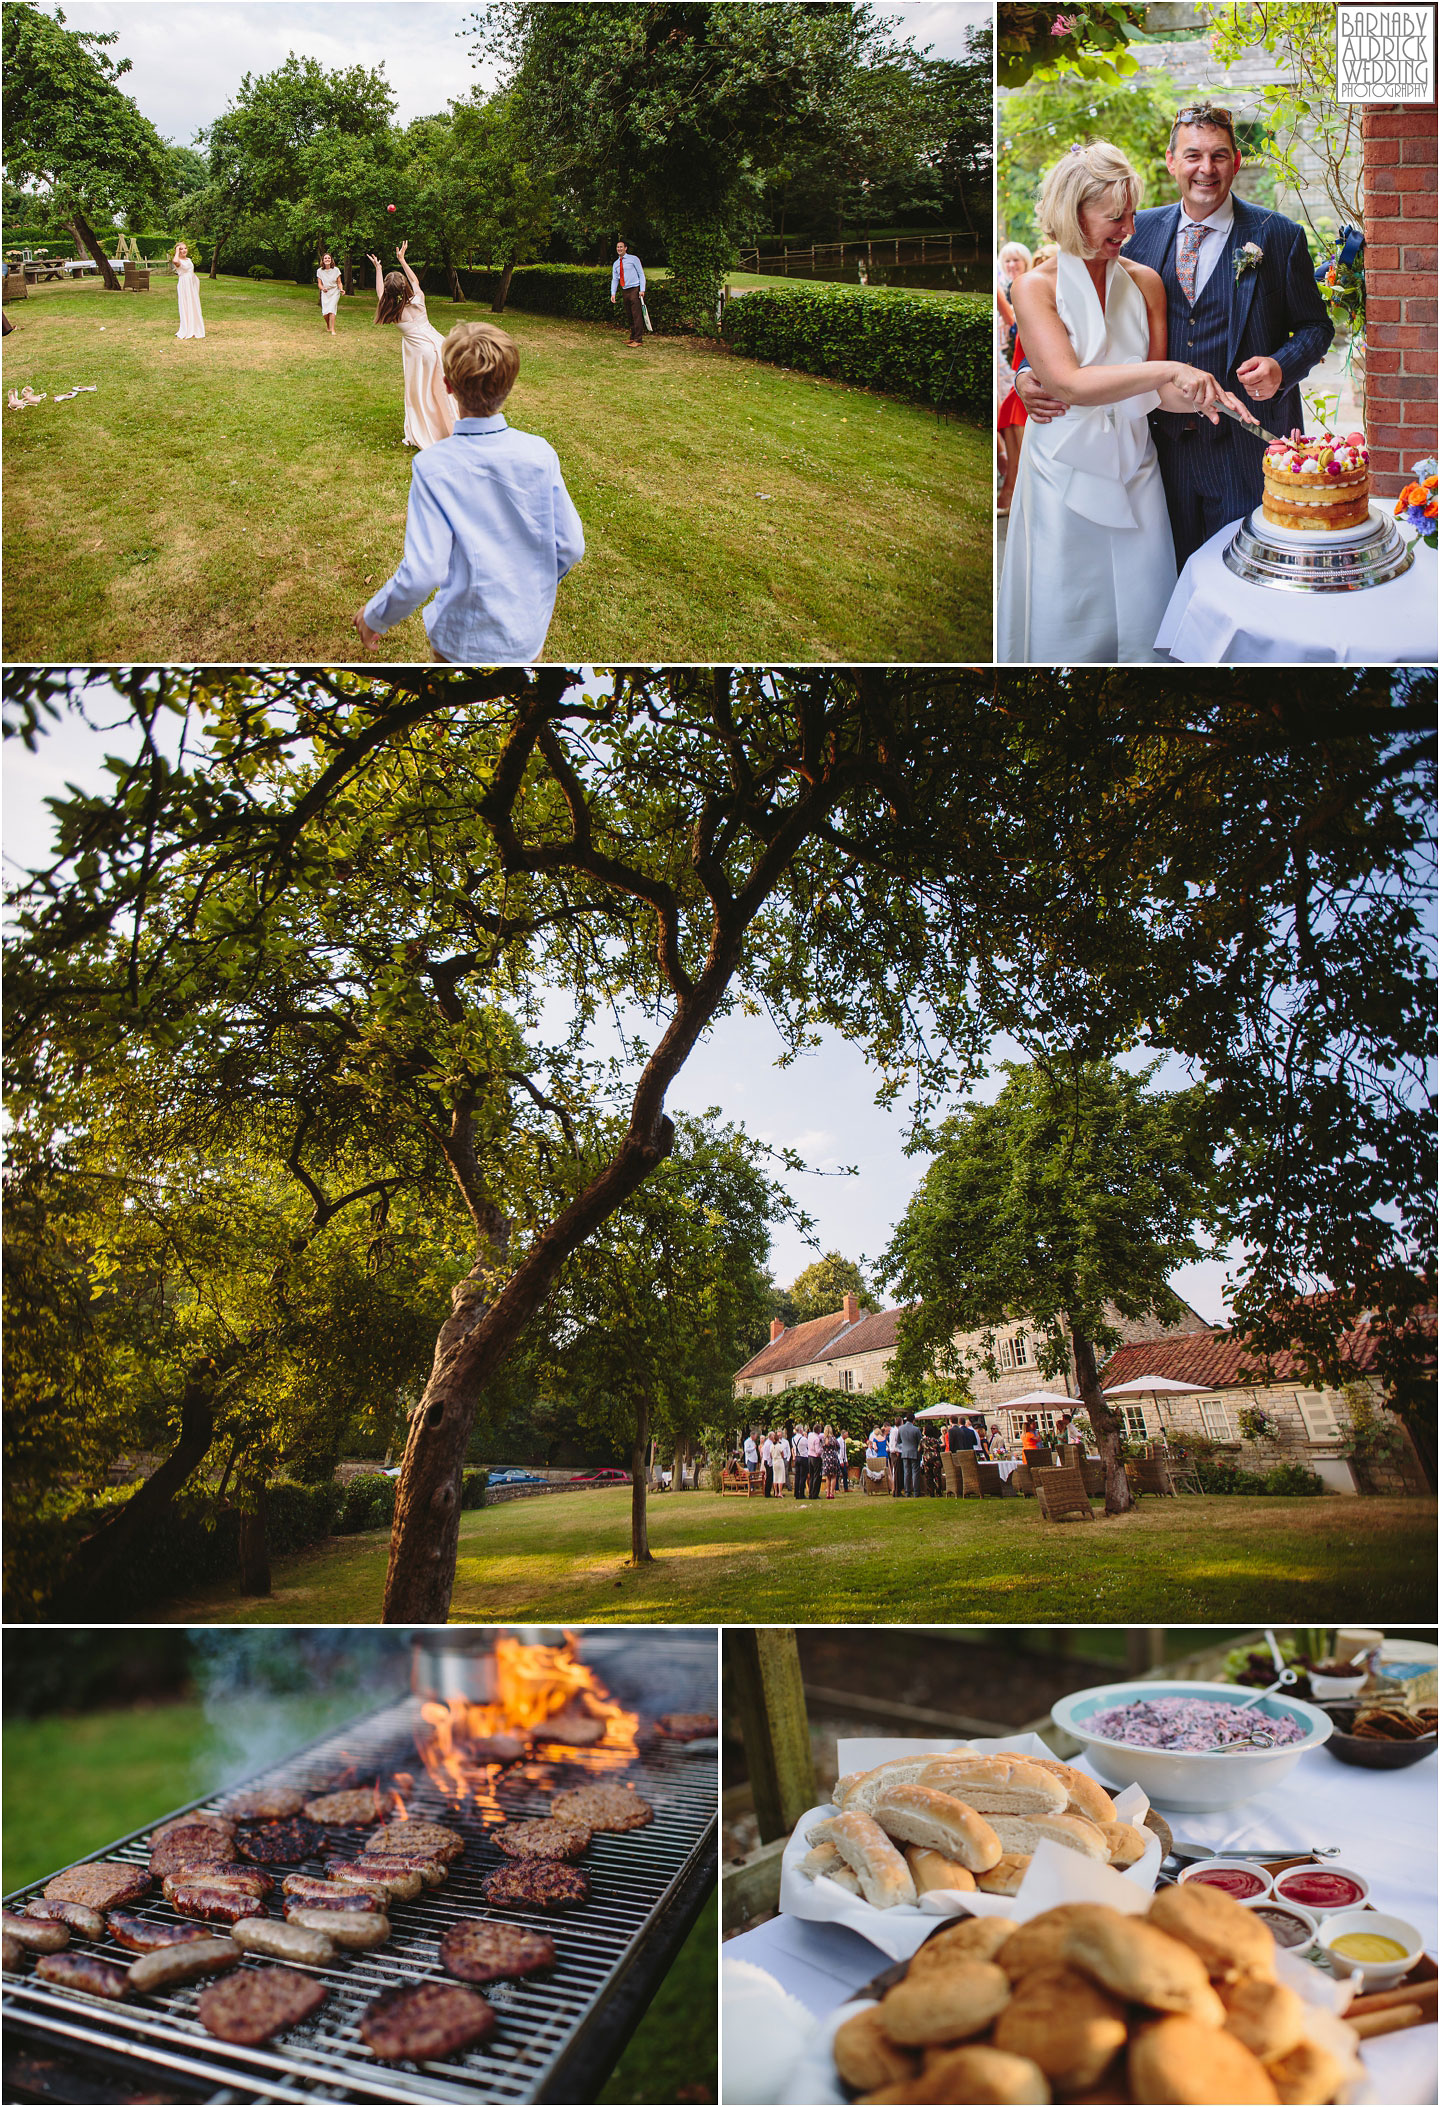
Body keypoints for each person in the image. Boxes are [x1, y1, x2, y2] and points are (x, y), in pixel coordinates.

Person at [1013, 106, 1334, 573]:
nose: (1206, 169)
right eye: (1193, 155)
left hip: (1243, 448)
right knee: (1164, 580)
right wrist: (1026, 374)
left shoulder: (1277, 236)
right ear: (1171, 161)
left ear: (1237, 161)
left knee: (1246, 576)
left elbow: (1316, 327)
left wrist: (1282, 365)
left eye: (1220, 155)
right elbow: (1074, 325)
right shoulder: (1137, 237)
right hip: (1158, 450)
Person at [996, 141, 1240, 666]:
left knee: (1142, 606)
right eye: (1114, 217)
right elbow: (1069, 383)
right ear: (1072, 212)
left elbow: (1157, 394)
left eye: (1130, 215)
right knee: (1069, 605)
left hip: (1135, 464)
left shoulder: (1145, 282)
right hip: (1061, 466)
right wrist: (1171, 368)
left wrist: (1205, 397)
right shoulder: (1033, 287)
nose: (1128, 229)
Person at [355, 319, 584, 664]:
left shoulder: (432, 466)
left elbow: (423, 570)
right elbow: (570, 546)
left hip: (460, 639)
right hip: (525, 635)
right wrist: (528, 585)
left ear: (446, 385)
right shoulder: (539, 453)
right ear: (509, 384)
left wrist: (376, 615)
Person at [370, 240, 456, 450]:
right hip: (440, 345)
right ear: (405, 287)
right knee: (448, 390)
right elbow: (415, 280)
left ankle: (433, 430)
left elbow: (380, 292)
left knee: (424, 394)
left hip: (421, 355)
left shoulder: (391, 311)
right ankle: (457, 427)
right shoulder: (419, 298)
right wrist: (402, 260)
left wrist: (378, 269)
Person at [995, 241, 1032, 516]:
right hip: (1013, 362)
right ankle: (1009, 486)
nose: (1011, 266)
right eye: (1007, 262)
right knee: (1008, 410)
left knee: (1012, 408)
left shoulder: (1029, 288)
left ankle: (1011, 490)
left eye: (1016, 261)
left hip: (1018, 367)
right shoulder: (1008, 289)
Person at [611, 239, 646, 349]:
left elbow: (641, 274)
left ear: (625, 248)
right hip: (624, 290)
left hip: (635, 289)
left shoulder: (633, 259)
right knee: (629, 315)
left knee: (636, 315)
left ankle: (638, 339)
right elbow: (615, 279)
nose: (619, 249)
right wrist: (613, 293)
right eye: (617, 247)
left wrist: (642, 289)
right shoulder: (616, 263)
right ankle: (632, 336)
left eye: (621, 247)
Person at [172, 243, 205, 341]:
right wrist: (177, 251)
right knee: (186, 305)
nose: (184, 250)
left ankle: (195, 328)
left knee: (194, 305)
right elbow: (175, 261)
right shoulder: (178, 261)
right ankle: (187, 328)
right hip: (184, 285)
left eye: (185, 248)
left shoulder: (189, 260)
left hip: (192, 284)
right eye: (181, 249)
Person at [316, 251, 343, 336]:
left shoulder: (336, 270)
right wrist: (322, 288)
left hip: (335, 291)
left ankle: (333, 329)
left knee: (332, 309)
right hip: (325, 292)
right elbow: (319, 284)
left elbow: (339, 282)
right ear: (323, 260)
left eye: (329, 258)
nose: (327, 259)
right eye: (325, 258)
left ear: (331, 260)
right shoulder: (319, 271)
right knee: (325, 313)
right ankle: (328, 325)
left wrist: (341, 289)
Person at [895, 1413, 922, 1497]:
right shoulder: (916, 1429)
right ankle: (916, 1492)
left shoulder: (901, 1429)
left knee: (906, 1472)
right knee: (915, 1472)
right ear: (913, 1420)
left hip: (905, 1452)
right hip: (914, 1452)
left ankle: (907, 1492)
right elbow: (920, 1442)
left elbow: (898, 1442)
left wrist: (904, 1447)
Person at [821, 1424, 839, 1500]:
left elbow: (821, 1447)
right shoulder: (834, 1439)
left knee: (828, 1477)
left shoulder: (823, 1439)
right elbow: (838, 1447)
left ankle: (828, 1492)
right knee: (834, 1476)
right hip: (833, 1457)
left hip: (825, 1458)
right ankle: (832, 1492)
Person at [760, 1430, 774, 1497]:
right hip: (768, 1461)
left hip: (767, 1460)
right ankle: (767, 1492)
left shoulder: (768, 1443)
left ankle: (767, 1492)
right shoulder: (769, 1444)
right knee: (769, 1477)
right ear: (771, 1436)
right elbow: (768, 1454)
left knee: (769, 1477)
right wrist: (770, 1463)